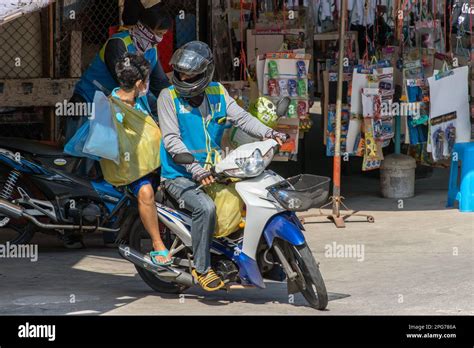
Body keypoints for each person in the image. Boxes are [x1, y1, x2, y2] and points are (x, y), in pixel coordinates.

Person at [158, 41, 286, 291]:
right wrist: (195, 168)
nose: (184, 77)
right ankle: (202, 267)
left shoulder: (218, 92)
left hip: (216, 171)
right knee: (205, 208)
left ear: (205, 73)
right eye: (181, 73)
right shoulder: (168, 96)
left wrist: (269, 132)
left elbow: (243, 118)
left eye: (190, 74)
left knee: (258, 192)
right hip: (179, 174)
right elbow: (171, 139)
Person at [62, 0, 171, 248]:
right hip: (91, 104)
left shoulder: (150, 50)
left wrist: (175, 103)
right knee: (81, 165)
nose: (160, 39)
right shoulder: (118, 44)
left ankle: (111, 226)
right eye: (158, 33)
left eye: (164, 35)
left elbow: (159, 83)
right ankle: (71, 228)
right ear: (144, 27)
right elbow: (125, 82)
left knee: (113, 164)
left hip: (119, 110)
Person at [112, 52, 171, 265]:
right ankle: (157, 244)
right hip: (133, 170)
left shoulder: (143, 100)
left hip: (157, 163)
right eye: (146, 81)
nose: (147, 85)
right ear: (139, 83)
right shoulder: (113, 108)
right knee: (146, 193)